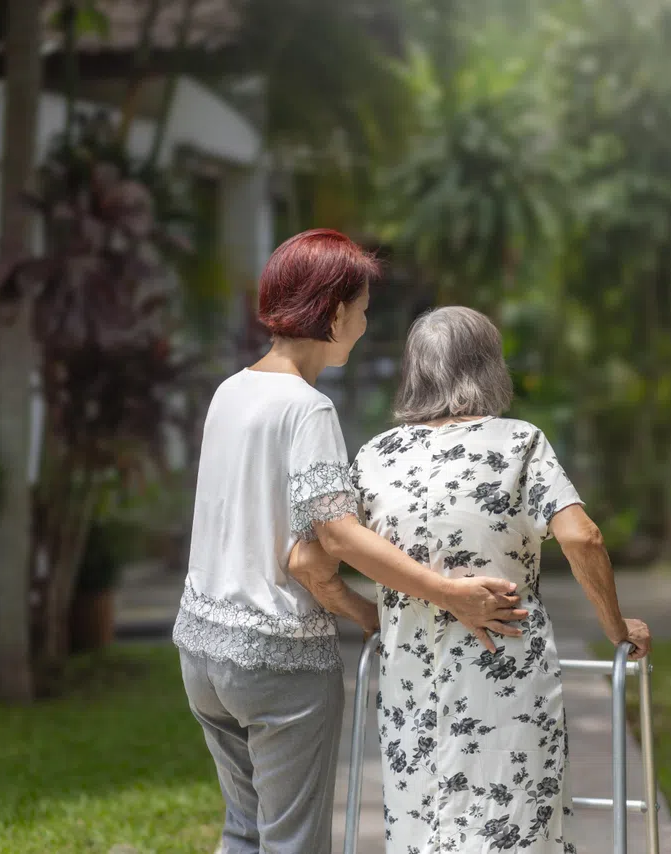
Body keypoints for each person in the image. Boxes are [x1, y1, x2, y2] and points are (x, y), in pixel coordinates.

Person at [173, 230, 528, 854]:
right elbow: (337, 535)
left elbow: (287, 547)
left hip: (202, 654)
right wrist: (449, 593)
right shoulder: (307, 410)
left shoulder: (230, 392)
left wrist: (365, 613)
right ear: (333, 312)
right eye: (361, 311)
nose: (363, 325)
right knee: (292, 843)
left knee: (244, 832)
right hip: (275, 661)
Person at [348, 306, 652, 854]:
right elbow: (583, 537)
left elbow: (316, 559)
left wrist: (370, 616)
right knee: (512, 823)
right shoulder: (518, 442)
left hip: (410, 681)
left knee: (424, 825)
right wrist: (616, 627)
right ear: (490, 368)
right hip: (505, 673)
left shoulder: (374, 456)